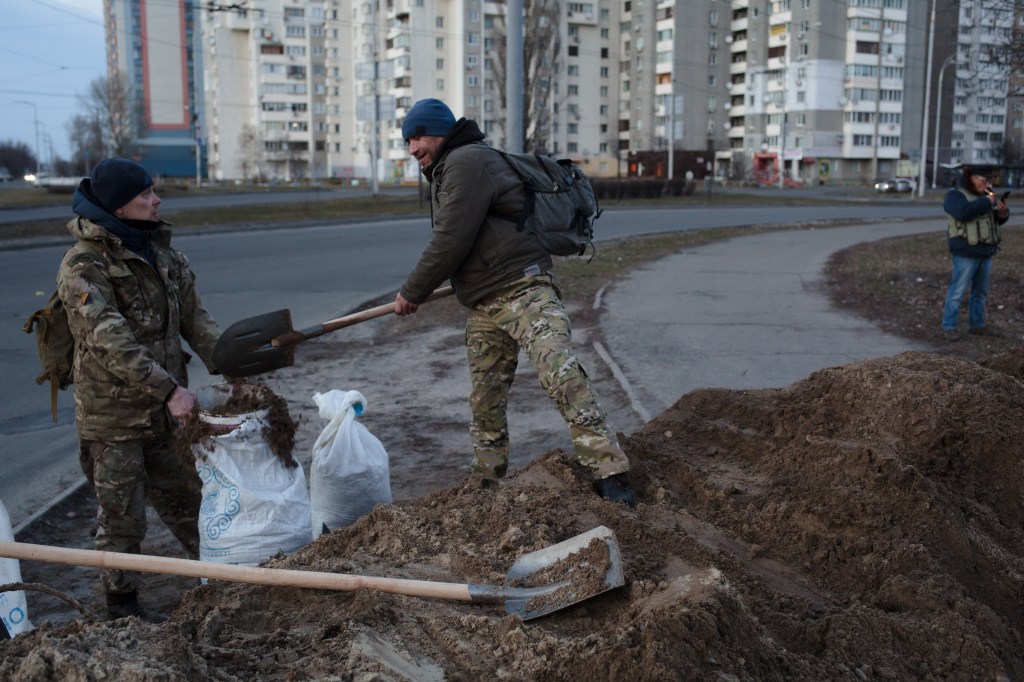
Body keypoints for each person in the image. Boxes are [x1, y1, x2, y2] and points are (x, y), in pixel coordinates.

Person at [393, 98, 636, 506]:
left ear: (440, 131)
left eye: (418, 136)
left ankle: (610, 472)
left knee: (561, 376)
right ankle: (485, 485)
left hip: (524, 291)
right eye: (407, 140)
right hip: (484, 301)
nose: (412, 147)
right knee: (486, 399)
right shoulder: (445, 169)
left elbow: (451, 239)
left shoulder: (466, 161)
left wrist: (410, 293)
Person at [57, 158, 222, 619]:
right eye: (146, 194)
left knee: (194, 503)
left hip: (166, 415)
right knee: (123, 522)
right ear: (120, 206)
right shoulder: (83, 266)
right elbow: (110, 340)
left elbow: (195, 319)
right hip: (114, 420)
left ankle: (222, 583)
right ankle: (121, 610)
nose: (157, 199)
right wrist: (169, 391)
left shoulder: (162, 253)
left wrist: (228, 363)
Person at [941, 166, 1009, 339]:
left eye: (989, 180)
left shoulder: (985, 196)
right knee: (957, 291)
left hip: (986, 251)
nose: (987, 184)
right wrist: (987, 202)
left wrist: (1002, 214)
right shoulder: (955, 195)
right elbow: (963, 212)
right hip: (965, 252)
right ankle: (949, 327)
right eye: (983, 180)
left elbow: (994, 222)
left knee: (980, 292)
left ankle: (977, 325)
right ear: (971, 177)